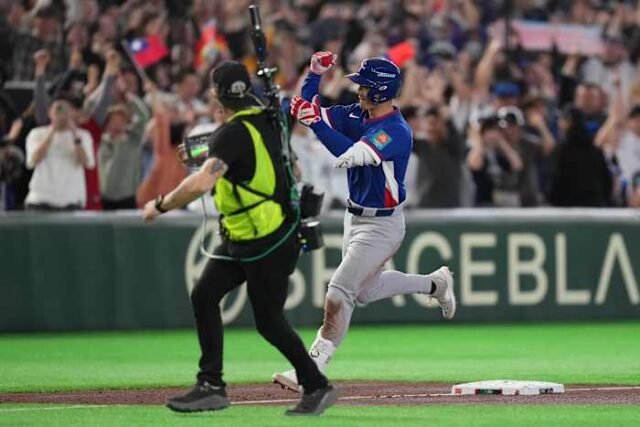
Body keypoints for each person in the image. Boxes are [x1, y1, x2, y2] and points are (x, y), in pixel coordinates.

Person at [141, 61, 337, 416]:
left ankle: (316, 385)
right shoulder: (268, 121)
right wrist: (212, 154)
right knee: (204, 295)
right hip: (251, 234)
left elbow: (203, 182)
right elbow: (287, 167)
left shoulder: (229, 134)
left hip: (265, 240)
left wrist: (161, 204)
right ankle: (211, 384)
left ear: (216, 94)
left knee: (269, 322)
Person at [272, 52, 456, 391]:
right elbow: (308, 108)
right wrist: (314, 75)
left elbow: (349, 154)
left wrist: (314, 123)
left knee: (340, 290)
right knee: (367, 291)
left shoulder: (396, 131)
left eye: (365, 86)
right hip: (354, 216)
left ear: (381, 91)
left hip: (382, 225)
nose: (359, 90)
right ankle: (435, 284)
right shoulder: (358, 113)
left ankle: (310, 368)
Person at [24, 95, 95, 211]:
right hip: (40, 200)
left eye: (67, 109)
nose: (62, 113)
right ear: (50, 112)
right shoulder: (36, 133)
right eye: (58, 109)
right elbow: (33, 160)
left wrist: (74, 133)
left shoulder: (84, 136)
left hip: (72, 201)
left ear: (73, 113)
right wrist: (53, 130)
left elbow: (86, 163)